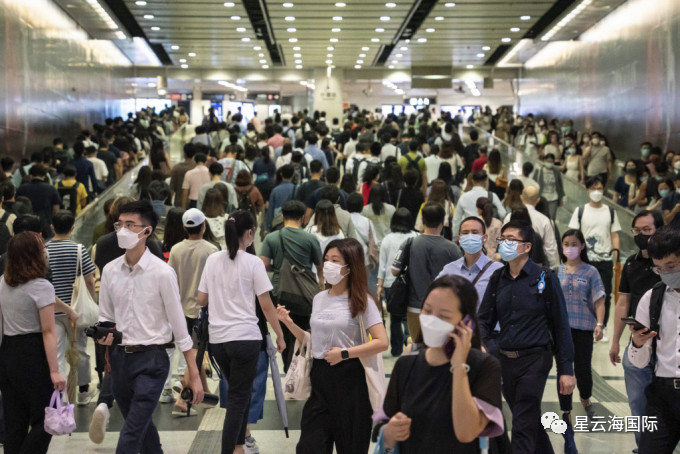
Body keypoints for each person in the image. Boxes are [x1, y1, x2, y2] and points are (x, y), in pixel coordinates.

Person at [96, 200, 204, 453]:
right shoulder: (111, 271)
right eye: (119, 224)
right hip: (120, 360)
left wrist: (194, 375)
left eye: (130, 225)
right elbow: (106, 317)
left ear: (146, 231)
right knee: (142, 426)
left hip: (152, 361)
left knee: (132, 431)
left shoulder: (162, 273)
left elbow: (180, 328)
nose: (122, 230)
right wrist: (105, 337)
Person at [276, 238, 389, 453]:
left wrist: (345, 353)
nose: (328, 264)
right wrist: (289, 323)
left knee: (351, 446)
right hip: (320, 377)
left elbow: (382, 342)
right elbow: (313, 340)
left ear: (350, 266)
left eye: (335, 260)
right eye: (326, 259)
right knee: (310, 446)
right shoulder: (319, 298)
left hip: (351, 379)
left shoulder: (363, 300)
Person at [478, 220, 575, 454]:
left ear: (527, 246)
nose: (504, 244)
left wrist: (566, 370)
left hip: (535, 359)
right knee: (527, 417)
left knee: (522, 421)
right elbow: (484, 319)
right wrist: (486, 346)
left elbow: (561, 325)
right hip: (505, 360)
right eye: (502, 239)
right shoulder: (497, 278)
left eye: (511, 239)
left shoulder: (545, 277)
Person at [379, 275, 504, 452]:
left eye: (443, 315)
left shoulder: (484, 367)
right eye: (427, 311)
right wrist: (389, 434)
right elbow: (385, 424)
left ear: (466, 323)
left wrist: (459, 366)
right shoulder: (406, 365)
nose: (431, 320)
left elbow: (466, 433)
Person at [197, 210, 284, 454]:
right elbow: (266, 305)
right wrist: (280, 335)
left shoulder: (213, 260)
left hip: (218, 341)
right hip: (245, 339)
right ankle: (229, 449)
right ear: (250, 233)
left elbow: (201, 299)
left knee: (240, 392)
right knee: (238, 398)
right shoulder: (253, 263)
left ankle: (238, 447)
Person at [0, 232, 67, 454]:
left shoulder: (2, 282)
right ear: (33, 255)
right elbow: (48, 331)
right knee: (48, 417)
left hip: (8, 351)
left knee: (15, 421)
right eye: (41, 248)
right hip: (33, 352)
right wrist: (55, 371)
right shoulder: (41, 286)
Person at [608, 209, 662, 451]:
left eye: (647, 230)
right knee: (638, 403)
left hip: (669, 343)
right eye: (637, 231)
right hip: (638, 341)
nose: (641, 235)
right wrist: (615, 341)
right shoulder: (631, 263)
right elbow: (623, 302)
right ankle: (644, 448)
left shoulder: (670, 264)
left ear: (660, 231)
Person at [627, 226, 680, 452]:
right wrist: (638, 343)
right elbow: (638, 362)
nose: (666, 273)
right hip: (663, 395)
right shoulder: (652, 298)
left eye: (671, 266)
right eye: (659, 269)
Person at [260, 200, 322, 371]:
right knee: (302, 332)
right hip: (304, 292)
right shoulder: (310, 238)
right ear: (303, 217)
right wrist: (322, 287)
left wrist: (278, 267)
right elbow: (319, 266)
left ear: (283, 216)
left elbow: (263, 264)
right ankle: (300, 370)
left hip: (279, 291)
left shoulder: (271, 238)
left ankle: (289, 369)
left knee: (284, 333)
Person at [557, 229, 605, 450]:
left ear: (582, 246)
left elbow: (599, 300)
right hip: (560, 330)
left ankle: (586, 399)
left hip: (583, 328)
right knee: (563, 369)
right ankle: (565, 410)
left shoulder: (591, 272)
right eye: (566, 243)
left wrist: (600, 323)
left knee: (583, 368)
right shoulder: (556, 271)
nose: (569, 247)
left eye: (574, 243)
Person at [167, 209, 219, 415]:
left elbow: (171, 279)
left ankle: (204, 393)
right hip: (202, 311)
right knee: (195, 354)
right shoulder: (211, 250)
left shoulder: (176, 250)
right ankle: (182, 400)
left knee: (194, 351)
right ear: (204, 225)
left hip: (181, 310)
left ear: (184, 227)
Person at [46, 210, 97, 405]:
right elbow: (90, 281)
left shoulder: (45, 250)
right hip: (76, 311)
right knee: (81, 350)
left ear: (52, 227)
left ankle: (59, 393)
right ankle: (83, 391)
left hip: (52, 309)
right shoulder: (78, 249)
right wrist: (91, 303)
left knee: (57, 351)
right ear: (73, 228)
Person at [392, 202, 462, 341]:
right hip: (444, 309)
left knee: (418, 347)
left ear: (422, 220)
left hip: (415, 306)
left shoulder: (409, 243)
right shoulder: (452, 249)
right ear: (443, 221)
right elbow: (462, 276)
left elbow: (394, 271)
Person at [568, 176, 621, 341]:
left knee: (604, 294)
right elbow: (573, 235)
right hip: (585, 259)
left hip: (604, 260)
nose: (596, 192)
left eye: (599, 188)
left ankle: (601, 326)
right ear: (587, 190)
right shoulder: (581, 211)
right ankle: (585, 324)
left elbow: (614, 235)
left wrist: (616, 255)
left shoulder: (610, 211)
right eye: (593, 188)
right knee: (582, 293)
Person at [436, 216, 504, 309]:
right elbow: (435, 297)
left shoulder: (497, 270)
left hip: (485, 323)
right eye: (465, 233)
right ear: (459, 239)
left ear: (484, 238)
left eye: (475, 232)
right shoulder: (449, 270)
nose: (470, 236)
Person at [378, 208, 417, 356]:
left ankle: (396, 350)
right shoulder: (416, 236)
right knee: (409, 316)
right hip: (411, 282)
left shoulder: (387, 239)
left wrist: (379, 285)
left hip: (391, 283)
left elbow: (383, 265)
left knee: (394, 317)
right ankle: (409, 343)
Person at [505, 186, 560, 269]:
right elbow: (550, 248)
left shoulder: (509, 217)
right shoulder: (544, 220)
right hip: (536, 265)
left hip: (512, 264)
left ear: (521, 197)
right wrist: (552, 267)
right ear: (538, 199)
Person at [451, 170, 506, 237]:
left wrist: (455, 237)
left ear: (472, 181)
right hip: (487, 234)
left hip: (469, 234)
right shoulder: (492, 196)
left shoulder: (464, 197)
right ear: (486, 181)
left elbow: (456, 220)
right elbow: (502, 213)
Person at [16, 164, 61, 239]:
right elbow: (56, 209)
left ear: (30, 175)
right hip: (46, 226)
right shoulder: (51, 189)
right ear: (44, 176)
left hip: (26, 226)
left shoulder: (21, 189)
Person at [347, 193, 378, 271]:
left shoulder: (345, 220)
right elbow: (374, 242)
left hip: (347, 258)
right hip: (364, 260)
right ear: (361, 206)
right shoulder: (367, 222)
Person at [265, 164, 297, 233]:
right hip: (293, 222)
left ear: (281, 174)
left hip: (278, 223)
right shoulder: (297, 189)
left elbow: (270, 210)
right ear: (293, 175)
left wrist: (268, 227)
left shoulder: (275, 190)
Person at [534, 154, 564, 220]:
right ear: (544, 161)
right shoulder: (539, 171)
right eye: (548, 161)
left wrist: (561, 198)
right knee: (541, 216)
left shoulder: (556, 172)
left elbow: (560, 185)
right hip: (541, 197)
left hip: (553, 198)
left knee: (551, 217)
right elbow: (533, 183)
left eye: (551, 162)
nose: (549, 163)